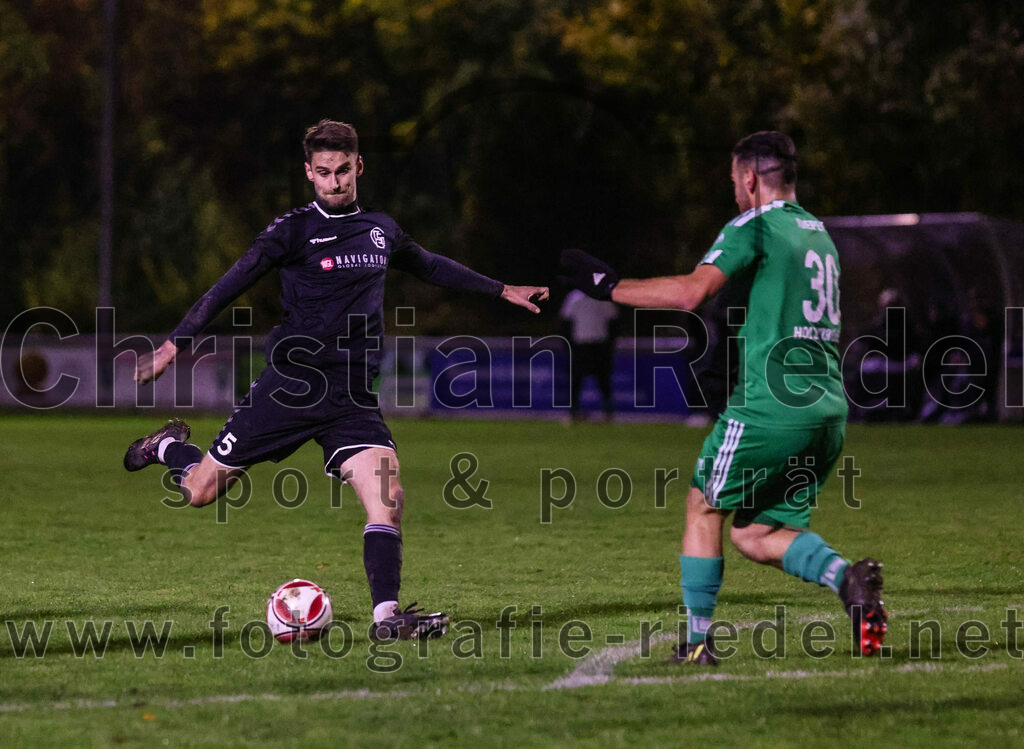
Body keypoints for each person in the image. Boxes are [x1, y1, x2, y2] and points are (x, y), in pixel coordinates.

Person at [124, 119, 549, 640]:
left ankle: (387, 618)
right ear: (308, 173)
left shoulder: (381, 230)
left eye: (343, 170)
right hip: (291, 386)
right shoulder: (291, 232)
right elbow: (226, 286)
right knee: (201, 491)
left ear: (358, 167)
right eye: (323, 172)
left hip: (351, 397)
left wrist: (501, 289)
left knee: (388, 496)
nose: (334, 181)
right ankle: (168, 449)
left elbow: (431, 266)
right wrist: (174, 344)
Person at [559, 131, 886, 665]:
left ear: (750, 178)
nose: (734, 191)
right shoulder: (819, 234)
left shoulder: (755, 223)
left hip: (771, 406)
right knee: (757, 533)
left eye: (735, 181)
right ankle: (846, 578)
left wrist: (609, 286)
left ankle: (695, 644)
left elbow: (692, 292)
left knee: (702, 505)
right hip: (826, 410)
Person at [559, 288, 619, 421]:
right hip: (580, 345)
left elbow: (613, 321)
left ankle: (608, 414)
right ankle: (573, 413)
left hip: (599, 345)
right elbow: (566, 323)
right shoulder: (574, 298)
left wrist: (610, 345)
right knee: (576, 381)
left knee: (603, 380)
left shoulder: (603, 298)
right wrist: (568, 345)